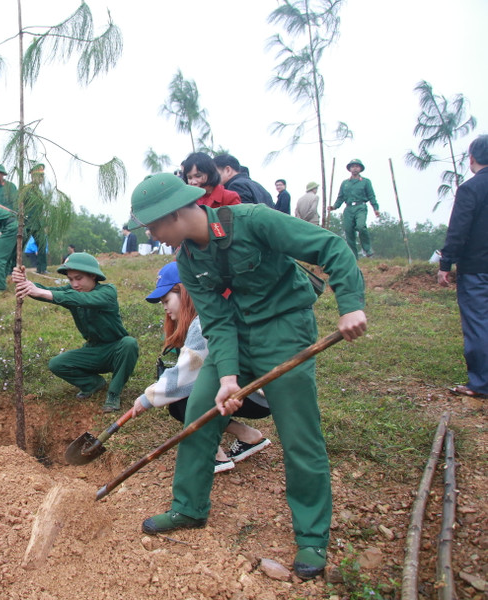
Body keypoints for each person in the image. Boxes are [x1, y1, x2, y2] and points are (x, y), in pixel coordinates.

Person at [128, 173, 367, 580]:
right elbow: (217, 320)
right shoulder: (187, 260)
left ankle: (311, 536)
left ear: (175, 214)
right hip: (234, 336)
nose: (151, 235)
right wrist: (227, 378)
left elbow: (330, 247)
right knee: (199, 413)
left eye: (152, 226)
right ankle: (188, 508)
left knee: (299, 433)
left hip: (283, 330)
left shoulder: (253, 220)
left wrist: (350, 305)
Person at [132, 262, 271, 474]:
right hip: (254, 392)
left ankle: (212, 454)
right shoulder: (215, 311)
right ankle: (248, 436)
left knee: (181, 400)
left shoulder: (204, 322)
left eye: (167, 300)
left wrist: (147, 398)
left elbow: (185, 374)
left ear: (185, 292)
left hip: (250, 392)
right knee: (185, 395)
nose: (165, 308)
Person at [12, 252, 138, 413]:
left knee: (129, 343)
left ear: (93, 275)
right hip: (93, 350)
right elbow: (48, 291)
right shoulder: (72, 292)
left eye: (78, 278)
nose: (74, 284)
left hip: (116, 350)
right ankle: (93, 384)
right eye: (70, 279)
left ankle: (113, 394)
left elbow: (81, 299)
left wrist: (41, 292)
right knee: (57, 364)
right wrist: (26, 283)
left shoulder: (108, 292)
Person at [438, 135, 488, 400]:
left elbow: (459, 230)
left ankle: (481, 383)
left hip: (477, 268)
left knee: (479, 322)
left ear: (472, 158)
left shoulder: (471, 188)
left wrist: (446, 262)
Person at [330, 159, 380, 258]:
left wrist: (375, 208)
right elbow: (340, 197)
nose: (355, 169)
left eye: (357, 166)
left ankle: (367, 249)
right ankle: (353, 256)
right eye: (352, 167)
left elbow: (371, 196)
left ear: (360, 168)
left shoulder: (365, 182)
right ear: (350, 169)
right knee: (349, 232)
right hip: (348, 209)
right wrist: (334, 206)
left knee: (361, 226)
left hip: (360, 207)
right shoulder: (345, 183)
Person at [22, 163, 49, 274]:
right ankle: (10, 268)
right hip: (27, 222)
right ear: (33, 176)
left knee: (42, 245)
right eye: (39, 176)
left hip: (38, 224)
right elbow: (20, 205)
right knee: (19, 245)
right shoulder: (26, 189)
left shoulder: (39, 191)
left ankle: (42, 269)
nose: (41, 179)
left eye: (42, 176)